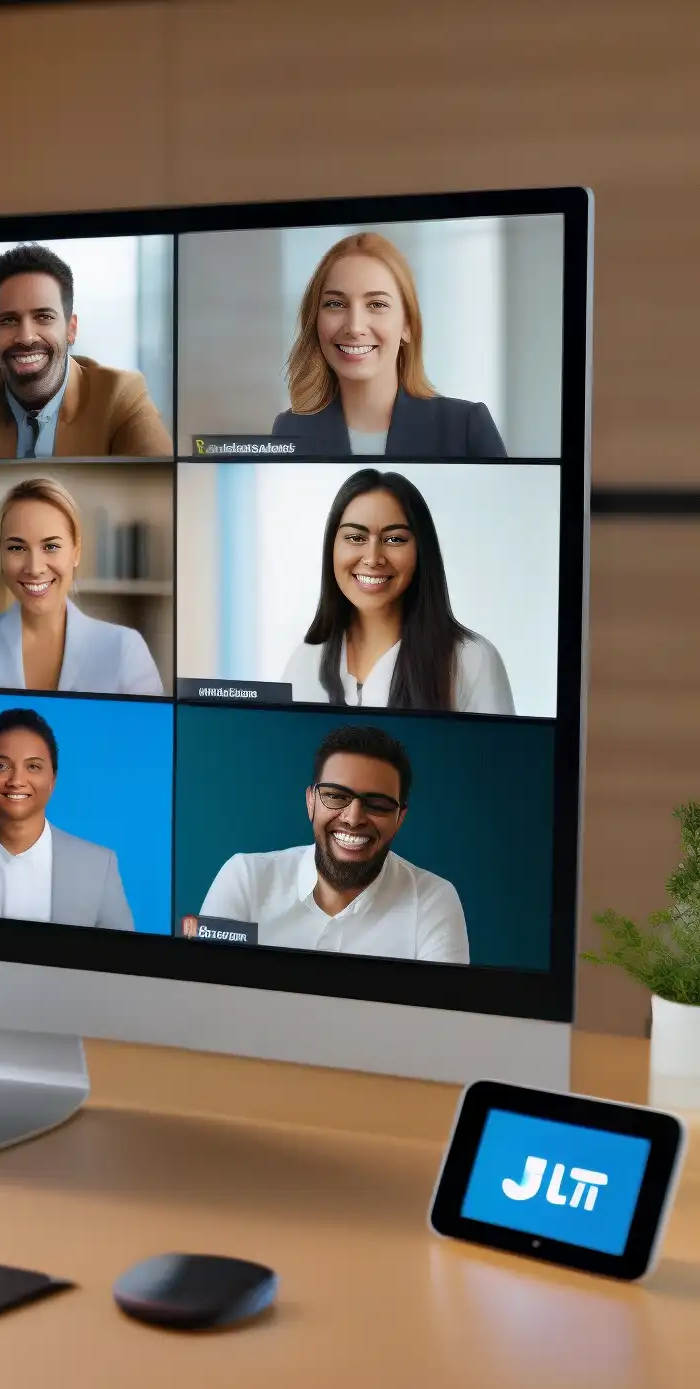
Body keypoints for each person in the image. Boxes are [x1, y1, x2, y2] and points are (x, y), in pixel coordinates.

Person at [197, 723, 470, 964]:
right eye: (336, 796)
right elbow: (204, 1000)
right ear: (310, 802)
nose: (353, 819)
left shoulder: (433, 901)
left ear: (400, 819)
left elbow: (443, 1020)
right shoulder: (244, 878)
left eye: (377, 804)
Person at [279, 468, 514, 713]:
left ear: (421, 551)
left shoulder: (472, 661)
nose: (372, 558)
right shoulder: (305, 661)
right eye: (356, 538)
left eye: (394, 539)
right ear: (332, 548)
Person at [270, 232, 507, 458]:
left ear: (407, 325)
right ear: (315, 321)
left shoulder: (466, 427)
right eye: (335, 304)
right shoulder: (290, 428)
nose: (354, 327)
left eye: (376, 304)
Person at [0, 243, 172, 459]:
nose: (26, 337)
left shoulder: (120, 396)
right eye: (9, 320)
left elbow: (163, 492)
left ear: (71, 328)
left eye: (43, 317)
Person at [0, 476, 165, 695]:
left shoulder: (125, 650)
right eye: (17, 548)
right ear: (0, 554)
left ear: (76, 552)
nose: (35, 568)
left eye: (51, 547)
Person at [0, 708, 133, 928]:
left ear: (53, 778)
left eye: (33, 767)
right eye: (0, 766)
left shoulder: (98, 864)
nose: (16, 780)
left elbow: (124, 956)